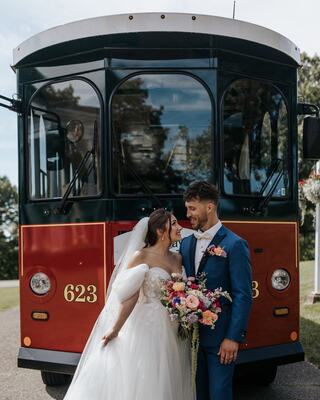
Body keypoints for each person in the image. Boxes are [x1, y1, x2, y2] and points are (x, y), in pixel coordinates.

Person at [64, 209, 192, 400]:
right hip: (148, 327)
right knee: (147, 378)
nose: (179, 227)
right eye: (174, 223)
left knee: (170, 375)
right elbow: (129, 296)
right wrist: (115, 329)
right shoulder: (141, 256)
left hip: (173, 328)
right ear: (160, 231)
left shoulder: (178, 258)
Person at [180, 181, 252, 400]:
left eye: (192, 208)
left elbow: (243, 294)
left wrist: (233, 337)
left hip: (221, 340)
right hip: (192, 339)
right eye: (187, 208)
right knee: (197, 394)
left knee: (219, 394)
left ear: (209, 207)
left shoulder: (234, 244)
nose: (188, 214)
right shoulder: (186, 243)